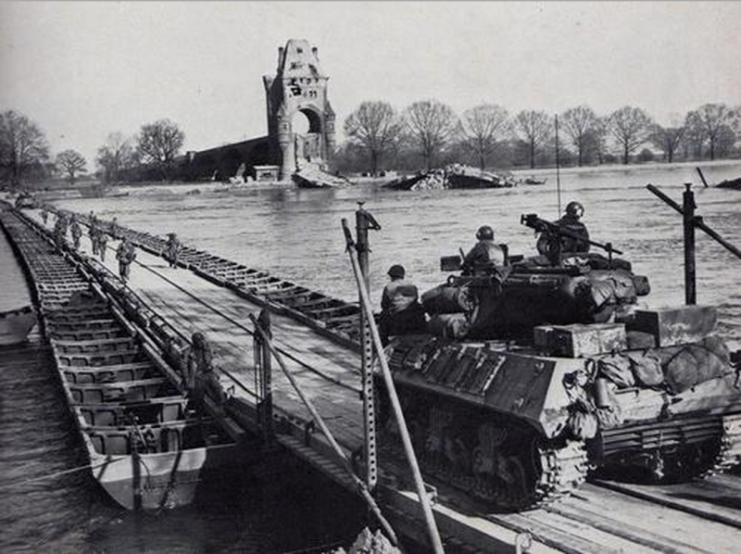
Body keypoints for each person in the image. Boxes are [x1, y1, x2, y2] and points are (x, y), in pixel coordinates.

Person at [379, 264, 426, 346]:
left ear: (391, 275)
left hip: (397, 316)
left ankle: (383, 342)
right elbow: (415, 299)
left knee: (383, 315)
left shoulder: (388, 286)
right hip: (413, 315)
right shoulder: (412, 285)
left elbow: (384, 304)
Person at [184, 332, 226, 416]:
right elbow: (184, 364)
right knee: (198, 394)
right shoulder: (189, 351)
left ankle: (222, 407)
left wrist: (215, 363)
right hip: (198, 375)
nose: (201, 342)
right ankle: (199, 413)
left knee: (218, 388)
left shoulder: (207, 348)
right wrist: (187, 378)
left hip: (209, 372)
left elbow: (217, 357)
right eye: (198, 341)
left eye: (201, 340)